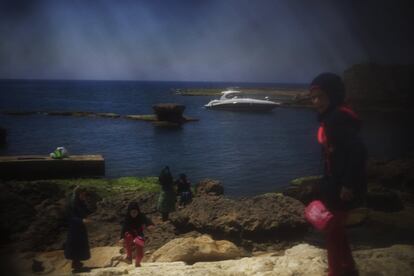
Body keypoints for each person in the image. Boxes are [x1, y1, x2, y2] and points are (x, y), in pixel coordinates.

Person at [309, 72, 366, 276]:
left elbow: (359, 151)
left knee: (332, 232)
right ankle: (349, 267)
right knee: (337, 230)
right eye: (313, 97)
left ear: (333, 95)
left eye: (321, 96)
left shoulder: (336, 119)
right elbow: (333, 158)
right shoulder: (335, 116)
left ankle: (335, 272)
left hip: (344, 187)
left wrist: (348, 185)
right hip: (336, 185)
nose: (316, 102)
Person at [64, 186, 92, 272]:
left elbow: (87, 211)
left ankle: (77, 263)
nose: (84, 196)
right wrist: (82, 220)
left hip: (81, 228)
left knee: (80, 246)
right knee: (75, 246)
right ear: (78, 194)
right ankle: (76, 264)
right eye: (82, 195)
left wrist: (85, 204)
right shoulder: (71, 204)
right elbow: (71, 217)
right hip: (74, 229)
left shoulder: (81, 202)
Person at [119, 202, 154, 267]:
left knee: (140, 252)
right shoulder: (127, 218)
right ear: (129, 212)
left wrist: (150, 225)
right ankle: (129, 257)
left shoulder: (141, 216)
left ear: (138, 211)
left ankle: (137, 263)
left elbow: (148, 221)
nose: (134, 214)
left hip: (139, 235)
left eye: (135, 212)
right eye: (132, 212)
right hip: (129, 235)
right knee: (128, 236)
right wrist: (121, 237)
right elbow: (123, 228)